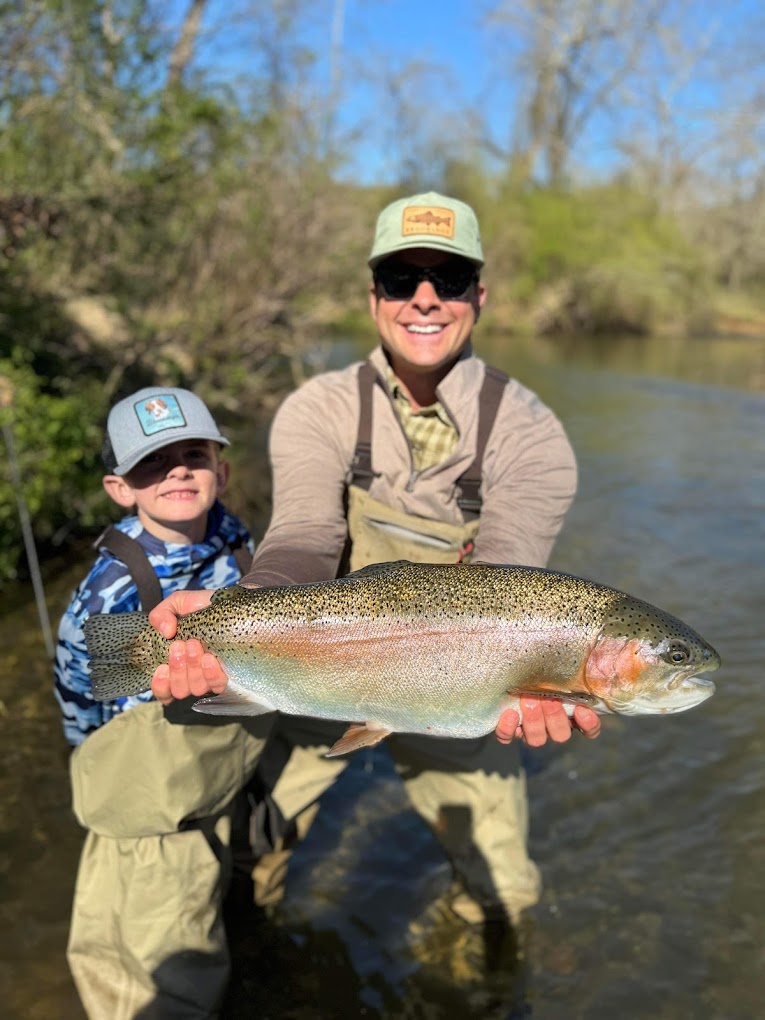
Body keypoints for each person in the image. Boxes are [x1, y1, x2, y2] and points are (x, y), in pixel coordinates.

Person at [147, 192, 601, 935]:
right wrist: (242, 611)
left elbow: (504, 585)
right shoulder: (318, 408)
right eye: (401, 279)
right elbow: (304, 537)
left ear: (477, 297)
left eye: (447, 281)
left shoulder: (531, 436)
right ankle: (259, 963)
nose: (424, 299)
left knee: (504, 894)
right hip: (319, 659)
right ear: (374, 296)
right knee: (248, 851)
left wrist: (543, 677)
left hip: (457, 680)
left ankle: (466, 980)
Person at [54, 387, 271, 1019]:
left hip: (223, 764)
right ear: (120, 489)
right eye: (152, 463)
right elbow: (81, 708)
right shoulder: (109, 594)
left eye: (193, 455)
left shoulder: (236, 538)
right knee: (154, 963)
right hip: (149, 792)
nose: (177, 469)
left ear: (222, 473)